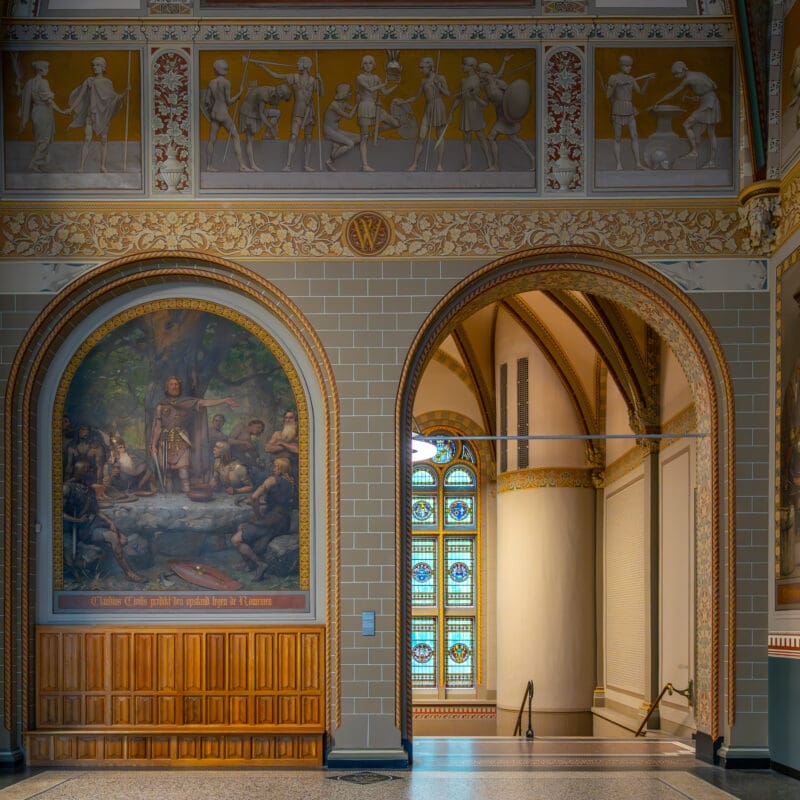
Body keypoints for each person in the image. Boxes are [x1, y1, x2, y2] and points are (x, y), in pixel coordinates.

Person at [149, 375, 239, 493]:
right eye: (171, 384)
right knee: (167, 474)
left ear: (179, 387)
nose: (174, 386)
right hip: (165, 442)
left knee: (183, 473)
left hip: (181, 440)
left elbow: (203, 403)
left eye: (176, 384)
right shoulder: (160, 406)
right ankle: (169, 499)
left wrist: (224, 400)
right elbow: (158, 427)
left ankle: (187, 497)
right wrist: (154, 445)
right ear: (167, 387)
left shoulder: (186, 402)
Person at [63, 459, 145, 583]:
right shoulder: (67, 488)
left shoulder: (89, 489)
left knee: (123, 540)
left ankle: (108, 561)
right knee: (114, 538)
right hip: (82, 528)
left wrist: (110, 522)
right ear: (80, 471)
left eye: (91, 469)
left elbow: (96, 511)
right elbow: (58, 513)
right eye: (88, 470)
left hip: (94, 523)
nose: (91, 472)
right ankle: (129, 573)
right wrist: (77, 520)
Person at [251, 56, 322, 172]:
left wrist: (321, 80)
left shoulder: (313, 80)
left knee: (308, 138)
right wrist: (263, 66)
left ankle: (307, 165)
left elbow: (320, 93)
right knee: (293, 136)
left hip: (309, 111)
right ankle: (288, 164)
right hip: (298, 111)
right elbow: (275, 75)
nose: (297, 63)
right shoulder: (294, 77)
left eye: (299, 62)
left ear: (305, 65)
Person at [232, 457, 295, 581]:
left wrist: (258, 515)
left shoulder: (271, 480)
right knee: (241, 527)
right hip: (283, 522)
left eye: (276, 466)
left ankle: (259, 564)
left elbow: (254, 498)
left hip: (270, 521)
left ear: (282, 469)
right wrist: (248, 501)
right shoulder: (291, 482)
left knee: (235, 540)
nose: (273, 468)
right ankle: (248, 564)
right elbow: (276, 502)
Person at [651, 61, 721, 168]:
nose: (676, 76)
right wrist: (698, 96)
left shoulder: (688, 79)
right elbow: (713, 86)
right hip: (713, 101)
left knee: (687, 124)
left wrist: (658, 102)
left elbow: (673, 93)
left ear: (683, 70)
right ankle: (711, 161)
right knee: (711, 133)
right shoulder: (700, 74)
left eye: (677, 73)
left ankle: (694, 151)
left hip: (707, 104)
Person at [67, 56, 129, 173]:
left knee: (104, 140)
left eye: (98, 65)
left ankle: (102, 166)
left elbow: (113, 98)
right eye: (94, 65)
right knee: (87, 139)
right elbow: (80, 97)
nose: (95, 68)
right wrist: (71, 108)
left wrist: (124, 93)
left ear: (103, 67)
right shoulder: (89, 81)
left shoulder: (108, 82)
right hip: (91, 115)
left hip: (104, 116)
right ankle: (81, 167)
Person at [479, 57, 535, 172]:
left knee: (491, 137)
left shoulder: (499, 83)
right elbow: (485, 103)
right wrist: (474, 97)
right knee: (515, 139)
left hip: (506, 115)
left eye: (480, 71)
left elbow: (512, 94)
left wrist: (504, 62)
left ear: (486, 73)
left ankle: (496, 166)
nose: (478, 73)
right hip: (500, 115)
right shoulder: (486, 86)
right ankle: (532, 157)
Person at [202, 59, 253, 173]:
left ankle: (209, 166)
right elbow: (229, 101)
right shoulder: (226, 82)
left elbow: (207, 102)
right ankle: (241, 165)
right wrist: (239, 94)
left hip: (214, 113)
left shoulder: (211, 82)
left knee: (212, 140)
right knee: (235, 136)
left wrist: (212, 111)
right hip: (223, 113)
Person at [604, 55, 654, 171]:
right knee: (617, 138)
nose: (629, 68)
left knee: (634, 136)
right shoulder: (613, 77)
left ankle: (638, 163)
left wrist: (647, 81)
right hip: (618, 108)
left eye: (630, 66)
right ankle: (619, 165)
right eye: (626, 66)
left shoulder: (631, 78)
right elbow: (608, 95)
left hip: (629, 109)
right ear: (621, 66)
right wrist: (615, 85)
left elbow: (641, 92)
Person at [18, 60, 68, 173]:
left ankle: (39, 164)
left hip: (36, 112)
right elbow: (49, 101)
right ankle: (34, 163)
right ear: (41, 70)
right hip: (44, 112)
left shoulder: (30, 82)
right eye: (46, 68)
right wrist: (61, 111)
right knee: (45, 139)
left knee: (39, 139)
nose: (47, 71)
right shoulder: (43, 82)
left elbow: (24, 97)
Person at [403, 57, 450, 173]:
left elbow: (448, 93)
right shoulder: (423, 81)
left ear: (430, 67)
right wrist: (403, 102)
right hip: (428, 108)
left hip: (438, 107)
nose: (420, 70)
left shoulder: (440, 78)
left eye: (422, 67)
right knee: (421, 137)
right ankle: (414, 164)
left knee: (440, 137)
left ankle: (439, 165)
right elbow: (416, 97)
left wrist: (438, 86)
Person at [355, 54, 400, 172]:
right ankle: (365, 165)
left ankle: (376, 132)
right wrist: (384, 83)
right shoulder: (359, 77)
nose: (368, 65)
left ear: (373, 65)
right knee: (364, 138)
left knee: (395, 123)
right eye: (365, 63)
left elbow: (384, 92)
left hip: (375, 107)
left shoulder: (376, 77)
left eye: (370, 63)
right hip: (365, 107)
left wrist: (395, 85)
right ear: (362, 65)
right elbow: (369, 89)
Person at [448, 56, 492, 172]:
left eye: (465, 64)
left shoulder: (479, 79)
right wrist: (451, 112)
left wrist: (475, 94)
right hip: (465, 110)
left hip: (475, 110)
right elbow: (459, 98)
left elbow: (492, 80)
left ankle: (490, 164)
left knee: (481, 137)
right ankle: (468, 165)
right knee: (466, 138)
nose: (462, 66)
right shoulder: (463, 81)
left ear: (472, 66)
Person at [237, 81, 291, 171]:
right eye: (281, 97)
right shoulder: (264, 93)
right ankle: (252, 164)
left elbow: (273, 107)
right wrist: (271, 126)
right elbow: (261, 114)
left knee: (277, 113)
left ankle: (267, 135)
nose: (280, 99)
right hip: (249, 113)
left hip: (256, 111)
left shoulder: (273, 92)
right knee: (250, 139)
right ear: (280, 94)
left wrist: (272, 128)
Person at [323, 83, 359, 171]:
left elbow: (353, 109)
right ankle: (330, 159)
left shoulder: (343, 103)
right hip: (329, 131)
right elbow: (349, 116)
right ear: (344, 93)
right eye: (349, 93)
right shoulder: (334, 105)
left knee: (360, 137)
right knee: (350, 144)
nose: (350, 95)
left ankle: (338, 144)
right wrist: (358, 104)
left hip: (336, 130)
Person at [264, 409, 299, 479]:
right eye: (286, 418)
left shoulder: (298, 435)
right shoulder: (277, 434)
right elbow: (267, 448)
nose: (287, 420)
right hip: (275, 467)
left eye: (291, 418)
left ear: (295, 420)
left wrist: (281, 443)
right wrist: (289, 446)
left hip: (292, 468)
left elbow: (297, 450)